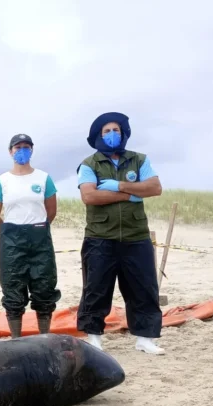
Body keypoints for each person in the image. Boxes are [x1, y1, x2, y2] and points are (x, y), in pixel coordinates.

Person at [76, 111, 165, 355]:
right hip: (100, 237)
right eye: (107, 131)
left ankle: (145, 338)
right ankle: (93, 337)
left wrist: (119, 185)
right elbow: (90, 196)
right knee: (96, 289)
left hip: (137, 236)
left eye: (116, 130)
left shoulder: (139, 160)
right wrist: (131, 195)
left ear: (123, 133)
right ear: (99, 136)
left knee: (144, 288)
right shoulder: (89, 164)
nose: (112, 135)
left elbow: (155, 187)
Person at [0, 134, 61, 339]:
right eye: (17, 147)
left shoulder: (43, 178)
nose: (22, 150)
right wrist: (8, 233)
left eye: (26, 147)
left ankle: (44, 337)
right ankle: (16, 339)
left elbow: (51, 211)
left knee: (44, 285)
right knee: (12, 286)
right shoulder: (2, 181)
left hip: (39, 238)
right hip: (12, 239)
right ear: (10, 151)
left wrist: (36, 228)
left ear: (32, 150)